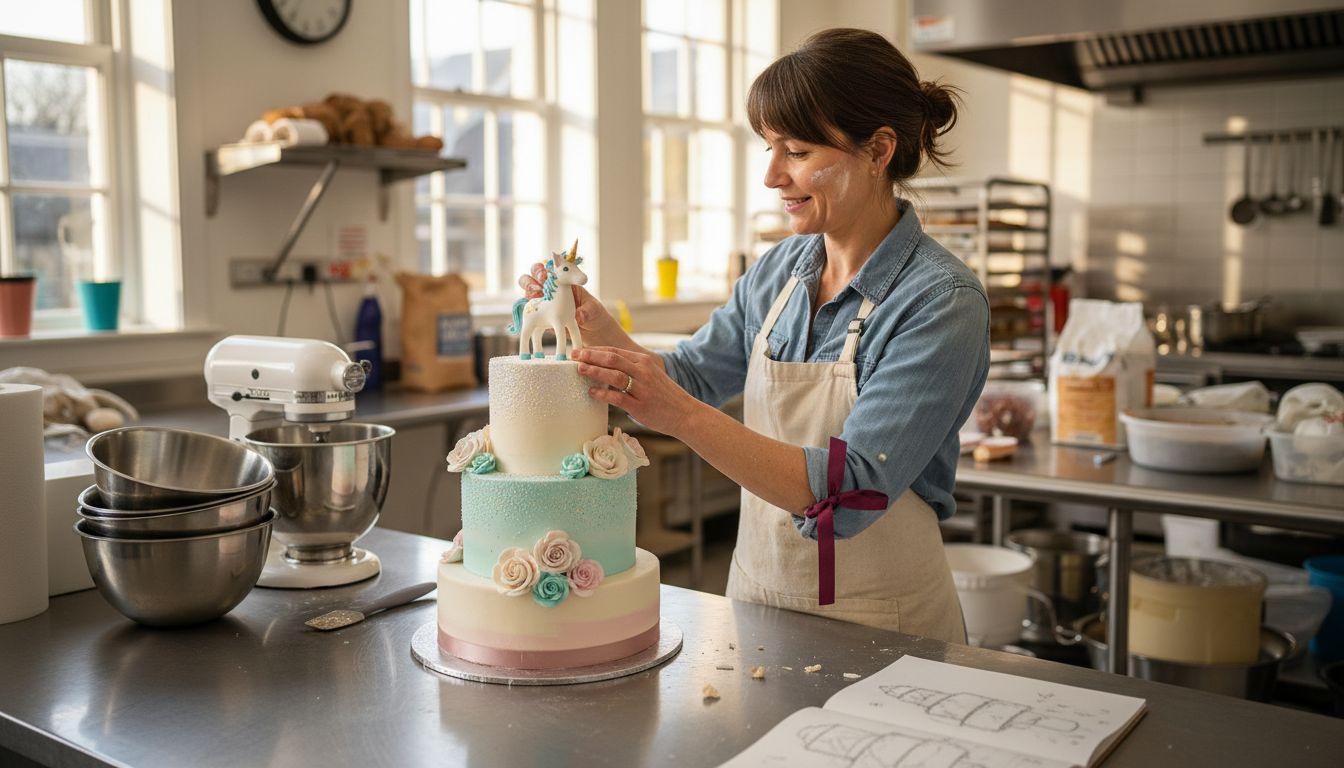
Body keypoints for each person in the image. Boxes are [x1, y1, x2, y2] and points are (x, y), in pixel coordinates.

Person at [569, 28, 988, 643]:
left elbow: (850, 491)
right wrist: (594, 323)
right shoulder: (777, 273)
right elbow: (692, 378)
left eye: (795, 151)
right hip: (756, 602)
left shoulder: (940, 302)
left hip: (886, 626)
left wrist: (679, 414)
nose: (771, 176)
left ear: (878, 151)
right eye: (769, 147)